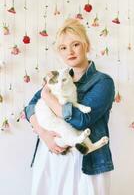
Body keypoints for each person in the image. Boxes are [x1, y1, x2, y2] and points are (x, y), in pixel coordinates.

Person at [24, 18, 115, 195]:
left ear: (86, 45)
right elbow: (30, 108)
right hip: (50, 157)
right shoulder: (57, 78)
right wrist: (44, 134)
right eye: (63, 48)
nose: (70, 52)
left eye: (75, 44)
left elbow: (81, 120)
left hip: (86, 163)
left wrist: (47, 98)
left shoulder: (103, 82)